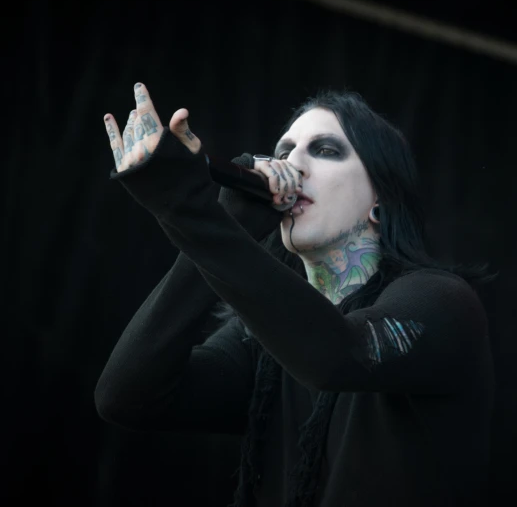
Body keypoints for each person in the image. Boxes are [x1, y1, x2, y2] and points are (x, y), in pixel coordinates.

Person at [94, 83, 496, 507]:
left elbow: (339, 355)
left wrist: (190, 213)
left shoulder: (443, 302)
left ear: (381, 198)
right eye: (284, 150)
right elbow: (127, 395)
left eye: (324, 150)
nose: (292, 164)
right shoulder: (264, 348)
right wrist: (229, 223)